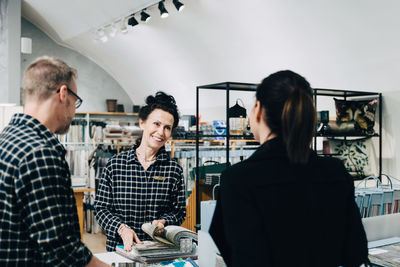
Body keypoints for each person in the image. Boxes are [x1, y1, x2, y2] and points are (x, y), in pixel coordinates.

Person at [209, 70, 369, 267]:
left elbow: (243, 257)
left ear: (258, 110)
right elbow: (355, 253)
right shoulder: (335, 171)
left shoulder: (238, 179)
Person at [0, 56, 110, 266]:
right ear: (63, 93)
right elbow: (63, 252)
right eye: (75, 101)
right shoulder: (40, 152)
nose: (74, 110)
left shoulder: (7, 139)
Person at [95, 91, 186, 252]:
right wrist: (121, 229)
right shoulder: (115, 164)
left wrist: (164, 221)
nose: (160, 132)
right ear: (142, 123)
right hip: (122, 251)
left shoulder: (174, 170)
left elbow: (179, 211)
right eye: (156, 124)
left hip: (158, 251)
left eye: (167, 128)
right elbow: (101, 208)